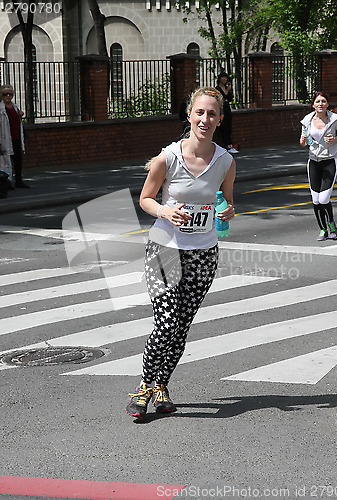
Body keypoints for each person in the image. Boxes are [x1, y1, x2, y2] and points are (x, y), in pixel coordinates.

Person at [126, 87, 236, 420]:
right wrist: (165, 212)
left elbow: (226, 201)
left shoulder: (225, 161)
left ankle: (162, 386)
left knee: (182, 325)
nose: (205, 119)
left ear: (220, 120)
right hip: (165, 248)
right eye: (200, 112)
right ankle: (145, 385)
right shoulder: (168, 157)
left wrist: (228, 211)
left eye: (212, 114)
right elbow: (146, 198)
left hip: (203, 252)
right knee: (167, 319)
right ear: (189, 115)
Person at [300, 91, 337, 241]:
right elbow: (302, 142)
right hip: (313, 161)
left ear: (327, 104)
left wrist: (335, 139)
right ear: (313, 104)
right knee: (315, 200)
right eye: (318, 101)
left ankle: (331, 224)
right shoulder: (307, 120)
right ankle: (322, 230)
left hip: (329, 161)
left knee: (324, 198)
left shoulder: (334, 119)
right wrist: (303, 139)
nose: (321, 104)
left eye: (323, 101)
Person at [0, 84, 29, 188]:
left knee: (18, 159)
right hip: (6, 138)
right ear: (2, 95)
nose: (8, 96)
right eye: (5, 94)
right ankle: (6, 182)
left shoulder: (15, 107)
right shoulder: (1, 109)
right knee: (6, 162)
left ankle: (19, 181)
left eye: (10, 94)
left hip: (16, 137)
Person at [215, 72, 238, 153]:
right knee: (224, 128)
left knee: (229, 127)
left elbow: (230, 98)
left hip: (227, 110)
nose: (224, 79)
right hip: (222, 110)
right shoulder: (217, 89)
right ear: (219, 79)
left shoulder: (227, 88)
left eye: (225, 78)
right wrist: (226, 96)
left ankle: (230, 144)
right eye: (223, 78)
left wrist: (228, 93)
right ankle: (227, 145)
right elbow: (221, 99)